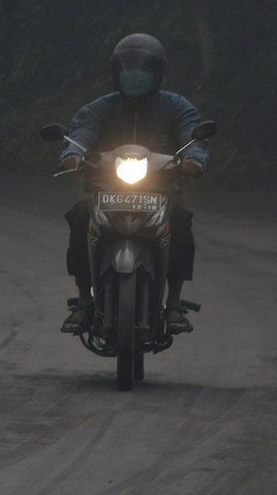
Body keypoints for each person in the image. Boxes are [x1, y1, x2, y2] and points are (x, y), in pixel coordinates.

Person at [59, 33, 210, 335]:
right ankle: (85, 300)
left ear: (158, 72)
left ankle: (176, 303)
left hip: (160, 190)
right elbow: (80, 132)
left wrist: (194, 159)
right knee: (80, 216)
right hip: (107, 189)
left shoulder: (176, 107)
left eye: (143, 69)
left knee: (179, 220)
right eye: (128, 68)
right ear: (116, 71)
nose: (135, 75)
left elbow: (193, 136)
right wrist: (73, 154)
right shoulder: (100, 108)